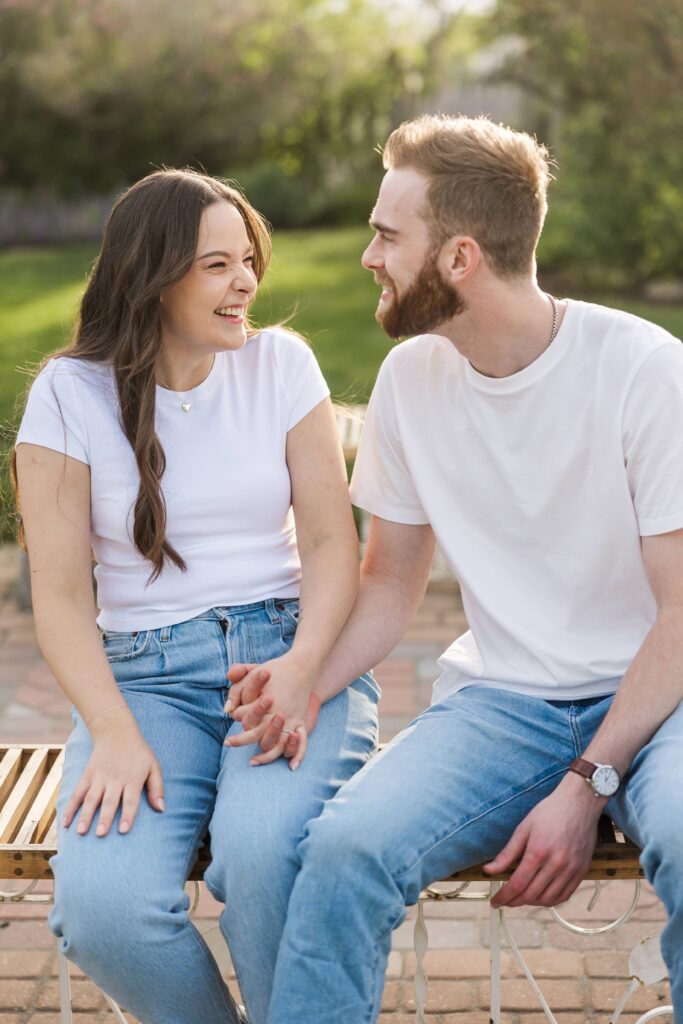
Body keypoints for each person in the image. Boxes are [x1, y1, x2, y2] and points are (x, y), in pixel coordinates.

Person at [227, 115, 683, 1024]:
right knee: (346, 851)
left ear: (460, 257)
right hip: (506, 704)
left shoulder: (645, 371)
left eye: (387, 236)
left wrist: (586, 783)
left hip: (659, 698)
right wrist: (305, 679)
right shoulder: (410, 379)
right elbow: (390, 582)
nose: (367, 256)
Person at [12, 168, 379, 1024]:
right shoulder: (67, 395)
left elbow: (332, 545)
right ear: (153, 273)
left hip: (287, 655)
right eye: (217, 265)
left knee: (264, 855)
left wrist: (303, 669)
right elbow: (61, 599)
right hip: (142, 683)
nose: (246, 282)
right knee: (102, 909)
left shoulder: (281, 364)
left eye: (248, 260)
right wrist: (110, 730)